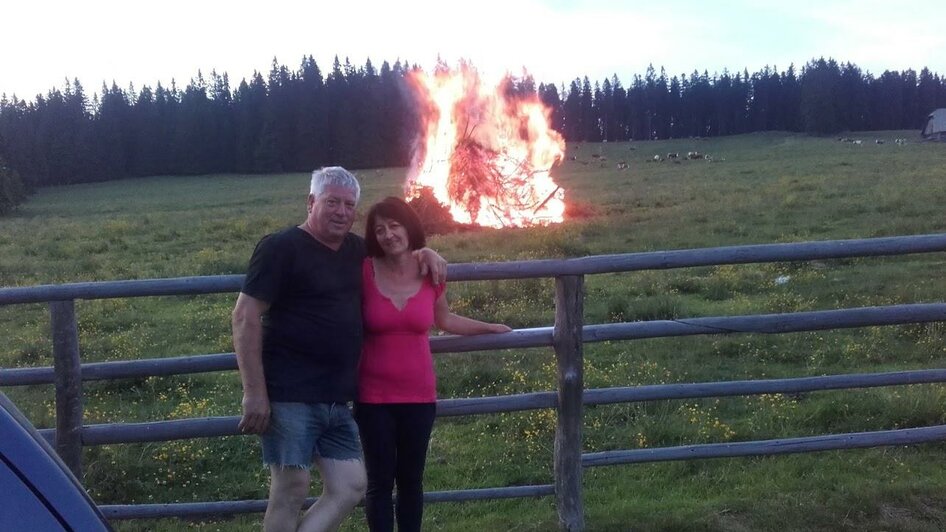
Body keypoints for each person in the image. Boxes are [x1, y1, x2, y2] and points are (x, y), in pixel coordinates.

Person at [232, 168, 446, 532]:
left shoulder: (355, 251)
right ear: (311, 202)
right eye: (332, 202)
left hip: (337, 398)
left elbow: (394, 254)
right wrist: (254, 392)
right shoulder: (281, 247)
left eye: (349, 205)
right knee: (291, 488)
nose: (342, 212)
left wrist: (426, 252)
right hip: (289, 394)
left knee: (351, 485)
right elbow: (244, 316)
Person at [355, 197, 511, 532]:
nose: (388, 234)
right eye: (379, 229)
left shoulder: (431, 271)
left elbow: (445, 320)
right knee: (379, 483)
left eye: (394, 225)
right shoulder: (363, 270)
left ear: (408, 227)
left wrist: (490, 327)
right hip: (372, 397)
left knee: (411, 480)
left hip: (418, 396)